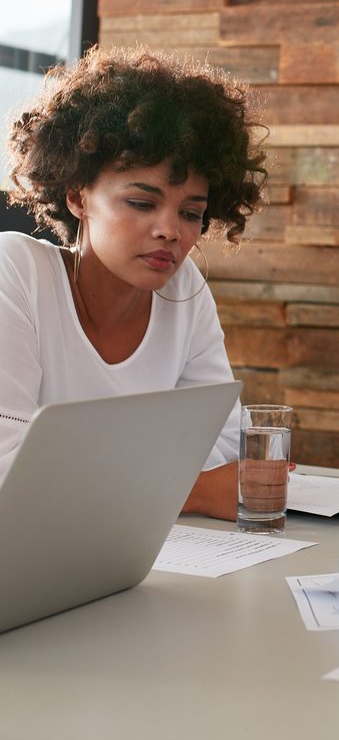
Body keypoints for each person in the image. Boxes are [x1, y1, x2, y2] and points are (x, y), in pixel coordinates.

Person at [0, 45, 267, 521]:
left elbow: (224, 445)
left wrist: (94, 474)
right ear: (78, 197)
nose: (171, 230)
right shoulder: (14, 272)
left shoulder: (184, 293)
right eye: (142, 203)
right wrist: (195, 493)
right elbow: (10, 470)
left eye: (191, 213)